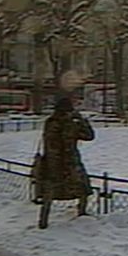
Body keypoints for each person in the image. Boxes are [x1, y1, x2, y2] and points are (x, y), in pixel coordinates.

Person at [37, 95, 95, 229]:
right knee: (83, 189)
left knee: (49, 193)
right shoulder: (71, 124)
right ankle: (82, 213)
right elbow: (89, 136)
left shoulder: (50, 122)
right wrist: (81, 120)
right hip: (70, 162)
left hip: (51, 162)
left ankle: (43, 220)